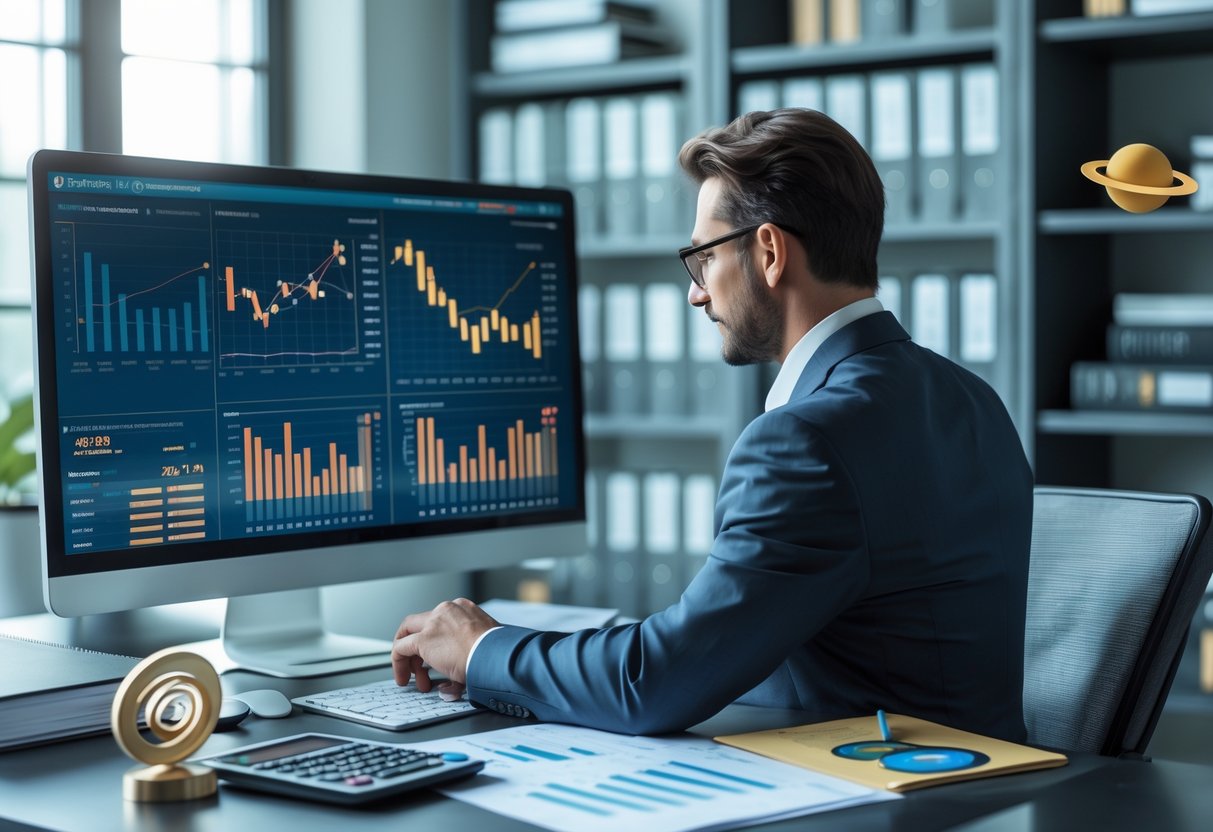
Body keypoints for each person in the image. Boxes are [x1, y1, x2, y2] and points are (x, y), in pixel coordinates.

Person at [392, 108, 1033, 742]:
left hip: (877, 784)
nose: (696, 292)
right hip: (982, 780)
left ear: (770, 252)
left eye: (702, 258)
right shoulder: (973, 399)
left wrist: (483, 649)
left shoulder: (806, 441)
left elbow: (655, 681)